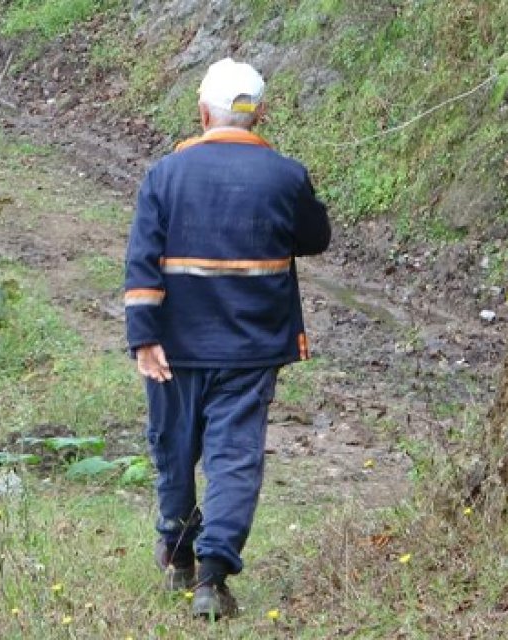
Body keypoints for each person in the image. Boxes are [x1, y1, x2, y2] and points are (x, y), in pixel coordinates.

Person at [123, 57, 331, 619]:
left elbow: (141, 260)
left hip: (173, 348)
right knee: (235, 458)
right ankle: (212, 577)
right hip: (251, 349)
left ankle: (178, 551)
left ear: (202, 112)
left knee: (174, 449)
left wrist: (143, 336)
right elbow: (316, 238)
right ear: (259, 114)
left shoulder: (164, 174)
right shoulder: (286, 174)